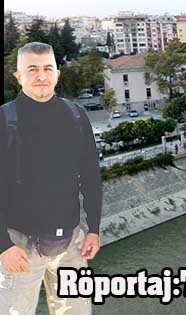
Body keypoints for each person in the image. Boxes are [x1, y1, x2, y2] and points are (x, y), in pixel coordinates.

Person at [0, 42, 103, 314]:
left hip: (71, 243)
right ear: (18, 76)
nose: (41, 75)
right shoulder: (3, 120)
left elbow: (91, 176)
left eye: (48, 68)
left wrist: (93, 228)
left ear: (57, 73)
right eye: (32, 69)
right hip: (19, 246)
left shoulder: (76, 116)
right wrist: (3, 246)